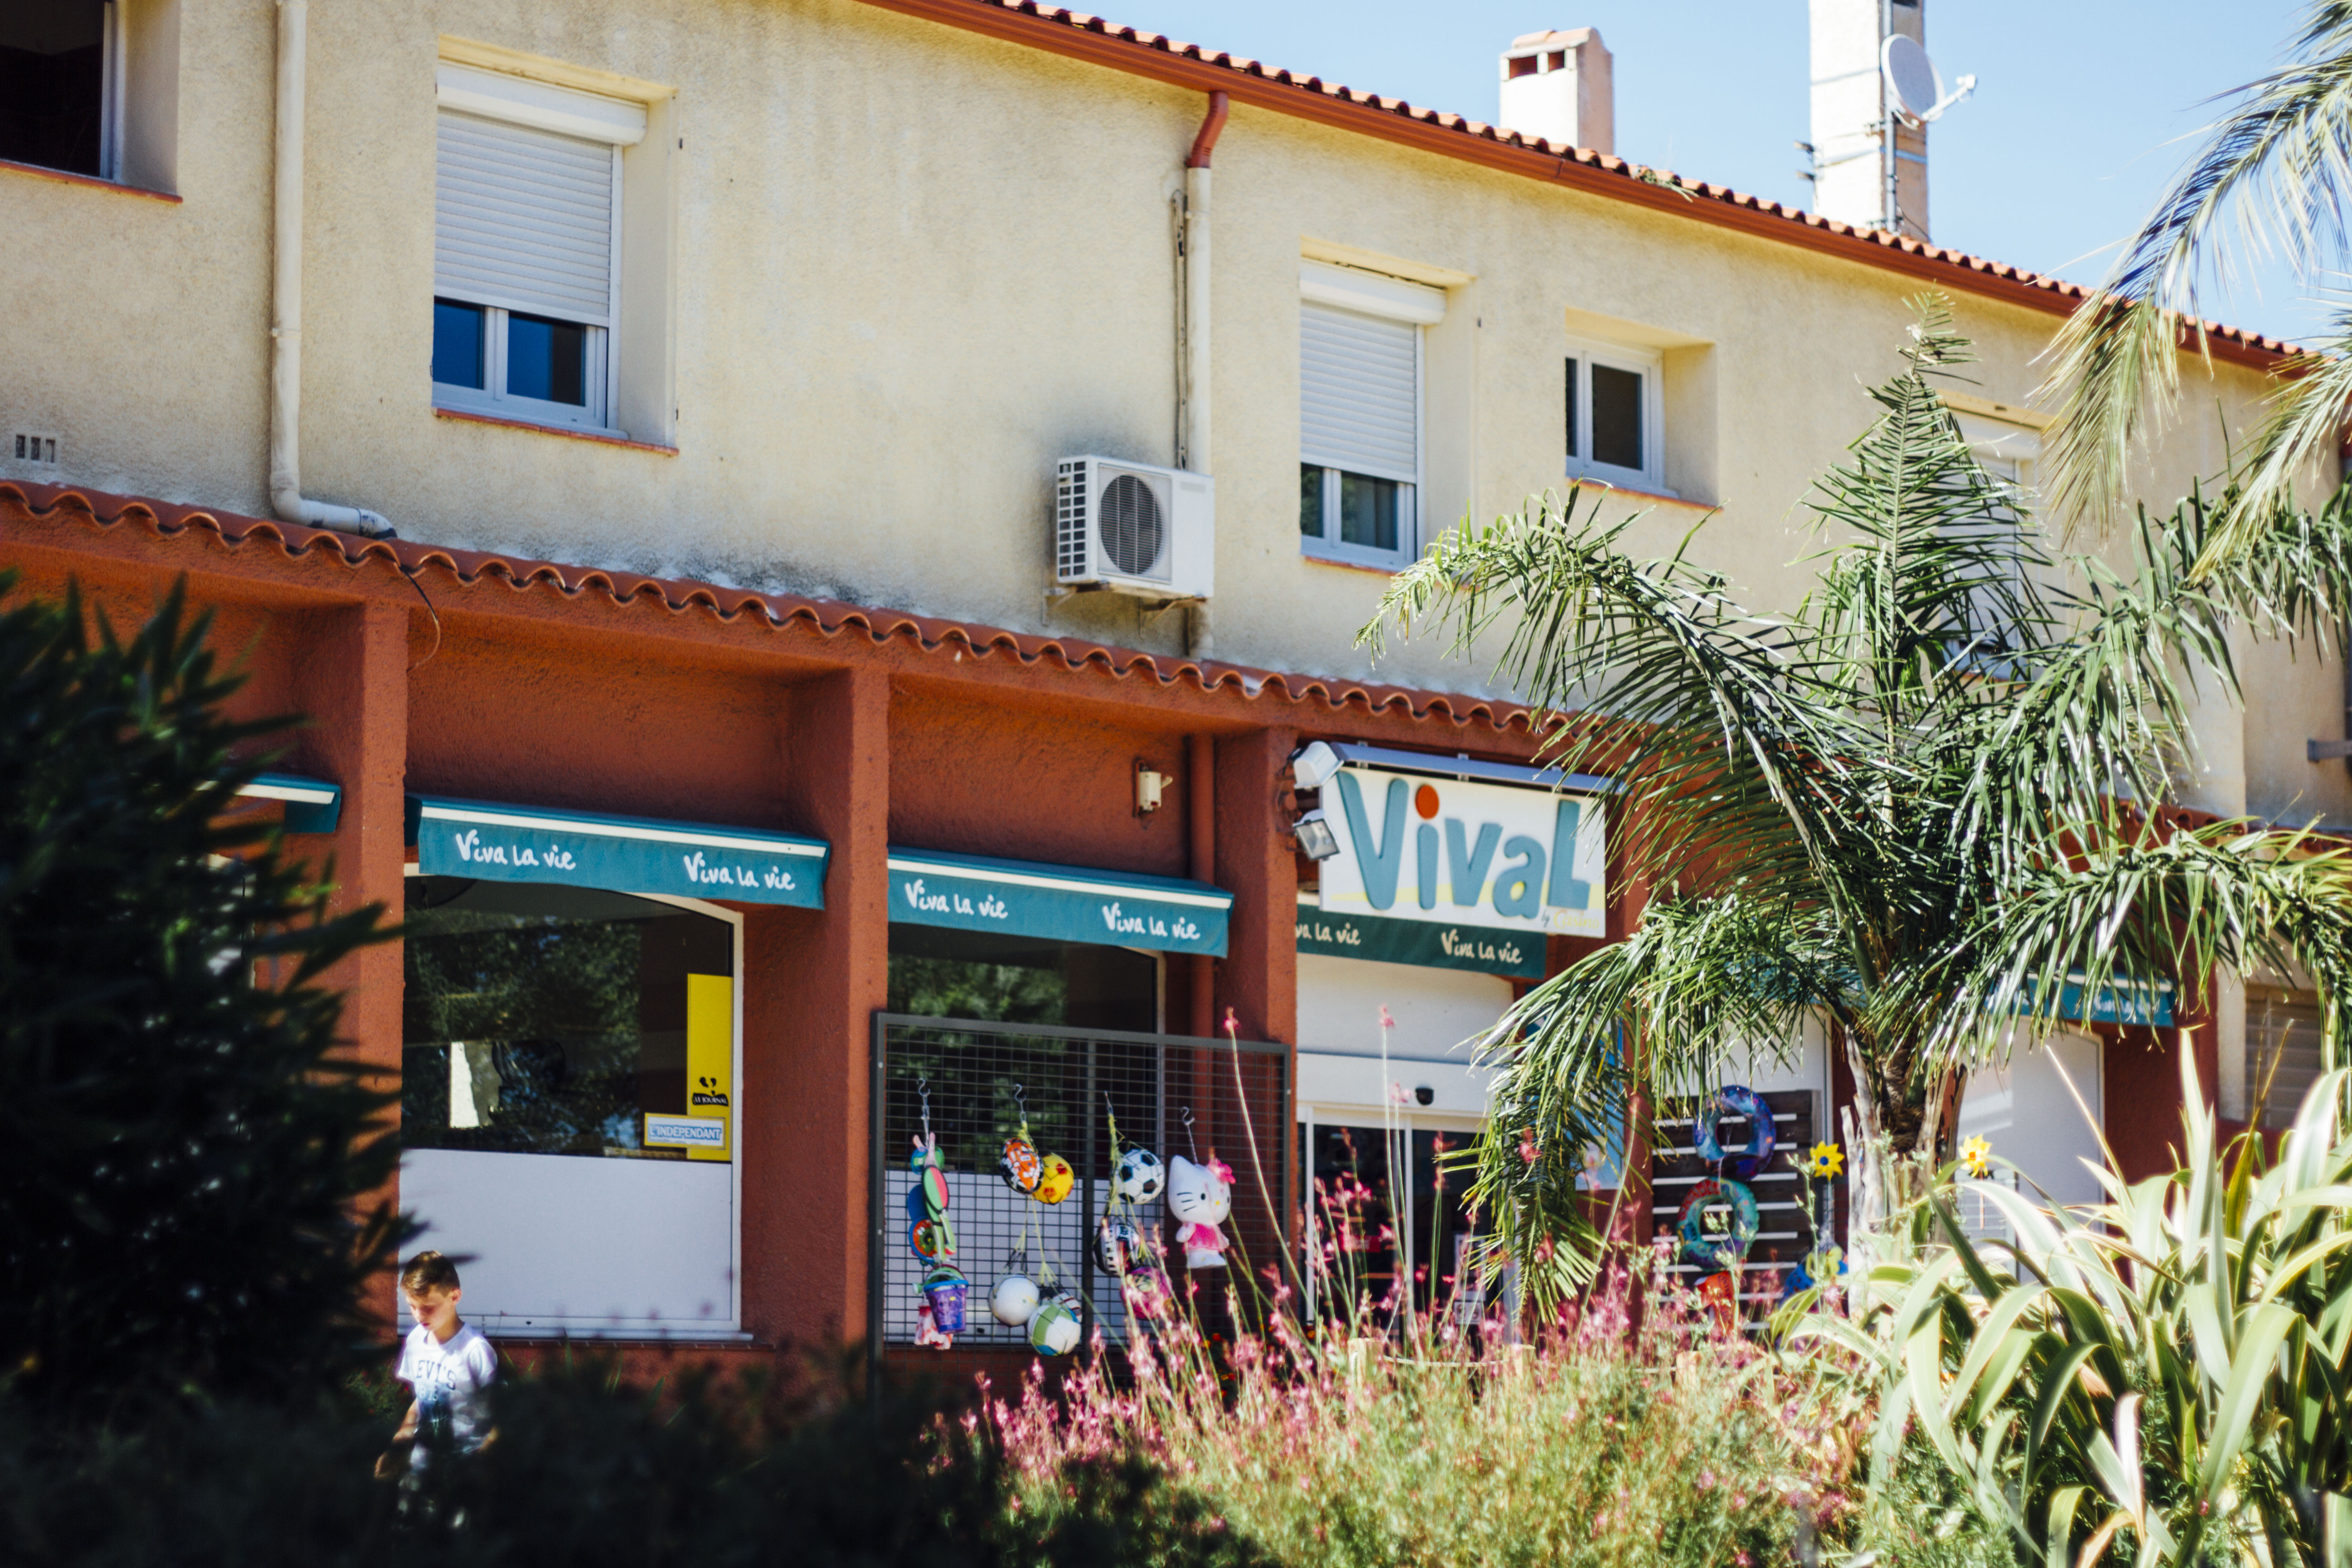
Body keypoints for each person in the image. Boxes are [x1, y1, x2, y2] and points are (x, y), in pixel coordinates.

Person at [377, 1251, 498, 1477]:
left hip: (461, 1478)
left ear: (454, 1297)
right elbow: (424, 1398)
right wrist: (400, 1442)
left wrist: (477, 1469)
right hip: (420, 1471)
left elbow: (500, 1420)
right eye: (413, 1306)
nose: (419, 1316)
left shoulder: (475, 1351)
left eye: (428, 1307)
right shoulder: (415, 1340)